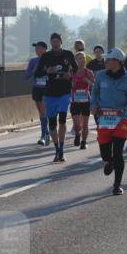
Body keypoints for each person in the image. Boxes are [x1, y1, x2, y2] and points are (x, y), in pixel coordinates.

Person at [91, 48, 127, 195]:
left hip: (121, 118)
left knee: (118, 152)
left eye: (109, 60)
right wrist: (93, 105)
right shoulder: (100, 76)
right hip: (104, 118)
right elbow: (94, 93)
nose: (106, 62)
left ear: (118, 62)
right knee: (105, 153)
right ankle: (109, 160)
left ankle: (117, 184)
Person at [35, 32, 77, 162]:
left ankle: (62, 150)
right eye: (53, 41)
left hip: (64, 92)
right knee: (52, 125)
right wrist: (47, 71)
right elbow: (37, 72)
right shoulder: (46, 56)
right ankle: (57, 148)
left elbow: (75, 69)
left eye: (57, 41)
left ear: (61, 42)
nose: (55, 43)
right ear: (51, 43)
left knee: (62, 121)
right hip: (50, 93)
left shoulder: (68, 54)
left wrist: (69, 74)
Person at [70, 51, 95, 150]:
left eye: (83, 58)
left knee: (85, 124)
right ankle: (77, 134)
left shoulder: (89, 72)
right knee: (76, 124)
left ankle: (84, 142)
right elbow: (68, 86)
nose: (82, 60)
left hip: (86, 100)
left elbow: (94, 86)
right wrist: (72, 83)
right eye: (80, 58)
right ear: (76, 60)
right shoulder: (72, 72)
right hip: (75, 101)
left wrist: (88, 81)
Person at [26, 41, 50, 145]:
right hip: (37, 88)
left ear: (45, 49)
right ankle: (47, 133)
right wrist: (34, 70)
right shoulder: (33, 61)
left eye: (39, 48)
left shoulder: (50, 59)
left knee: (44, 110)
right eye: (36, 48)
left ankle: (43, 136)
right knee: (41, 112)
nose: (37, 50)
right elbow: (26, 75)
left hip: (47, 88)